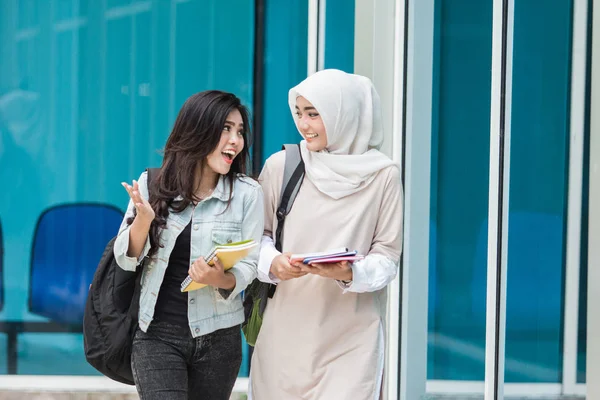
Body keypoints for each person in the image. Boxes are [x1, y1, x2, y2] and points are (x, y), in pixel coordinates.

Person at [249, 69, 403, 400]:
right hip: (285, 335)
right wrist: (274, 262)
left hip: (352, 339)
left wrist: (351, 272)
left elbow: (388, 256)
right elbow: (254, 240)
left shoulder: (383, 176)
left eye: (314, 114)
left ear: (343, 113)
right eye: (299, 113)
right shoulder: (282, 166)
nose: (304, 125)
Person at [113, 90, 264, 400]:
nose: (235, 140)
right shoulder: (152, 184)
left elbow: (250, 265)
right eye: (225, 128)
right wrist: (143, 220)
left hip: (219, 338)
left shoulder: (248, 194)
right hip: (157, 334)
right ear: (198, 129)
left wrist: (217, 278)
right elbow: (125, 259)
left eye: (240, 131)